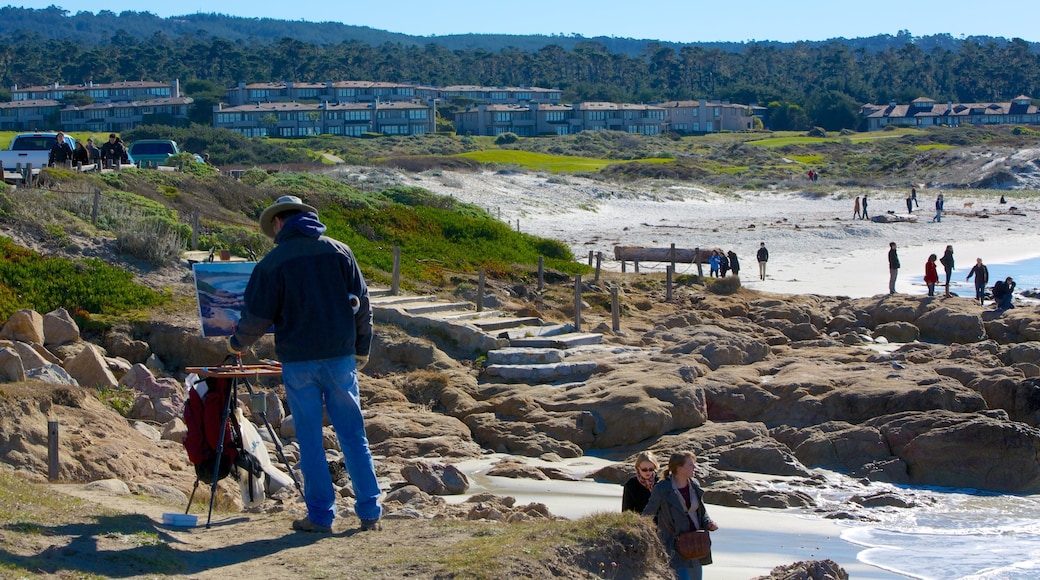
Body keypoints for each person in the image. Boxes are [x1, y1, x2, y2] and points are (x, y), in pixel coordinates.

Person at [228, 195, 382, 534]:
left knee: (310, 439)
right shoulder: (339, 251)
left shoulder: (273, 262)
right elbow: (363, 303)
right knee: (354, 435)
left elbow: (256, 317)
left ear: (279, 223)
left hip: (299, 362)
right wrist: (362, 348)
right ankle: (370, 512)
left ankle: (321, 516)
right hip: (340, 357)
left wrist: (237, 343)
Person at [642, 451, 718, 580]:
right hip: (673, 544)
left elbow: (702, 512)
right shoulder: (662, 488)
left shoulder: (694, 484)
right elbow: (648, 512)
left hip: (696, 542)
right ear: (679, 468)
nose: (694, 467)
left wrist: (709, 523)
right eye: (690, 465)